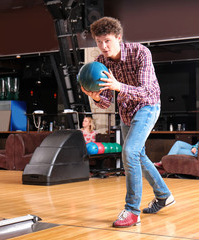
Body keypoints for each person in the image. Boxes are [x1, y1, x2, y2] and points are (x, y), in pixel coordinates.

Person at [81, 17, 175, 228]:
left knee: (130, 151)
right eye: (98, 41)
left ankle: (132, 211)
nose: (103, 46)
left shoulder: (140, 53)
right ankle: (163, 195)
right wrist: (94, 96)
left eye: (107, 41)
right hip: (126, 112)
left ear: (119, 38)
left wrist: (118, 86)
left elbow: (146, 91)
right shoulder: (101, 62)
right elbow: (105, 102)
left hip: (148, 106)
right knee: (137, 154)